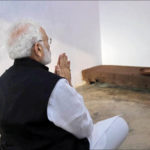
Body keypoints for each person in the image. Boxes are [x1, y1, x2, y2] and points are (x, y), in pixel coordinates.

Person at [0, 21, 129, 150]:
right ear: (38, 49)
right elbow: (84, 129)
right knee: (119, 124)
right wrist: (68, 86)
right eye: (47, 41)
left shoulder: (2, 81)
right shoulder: (54, 85)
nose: (49, 46)